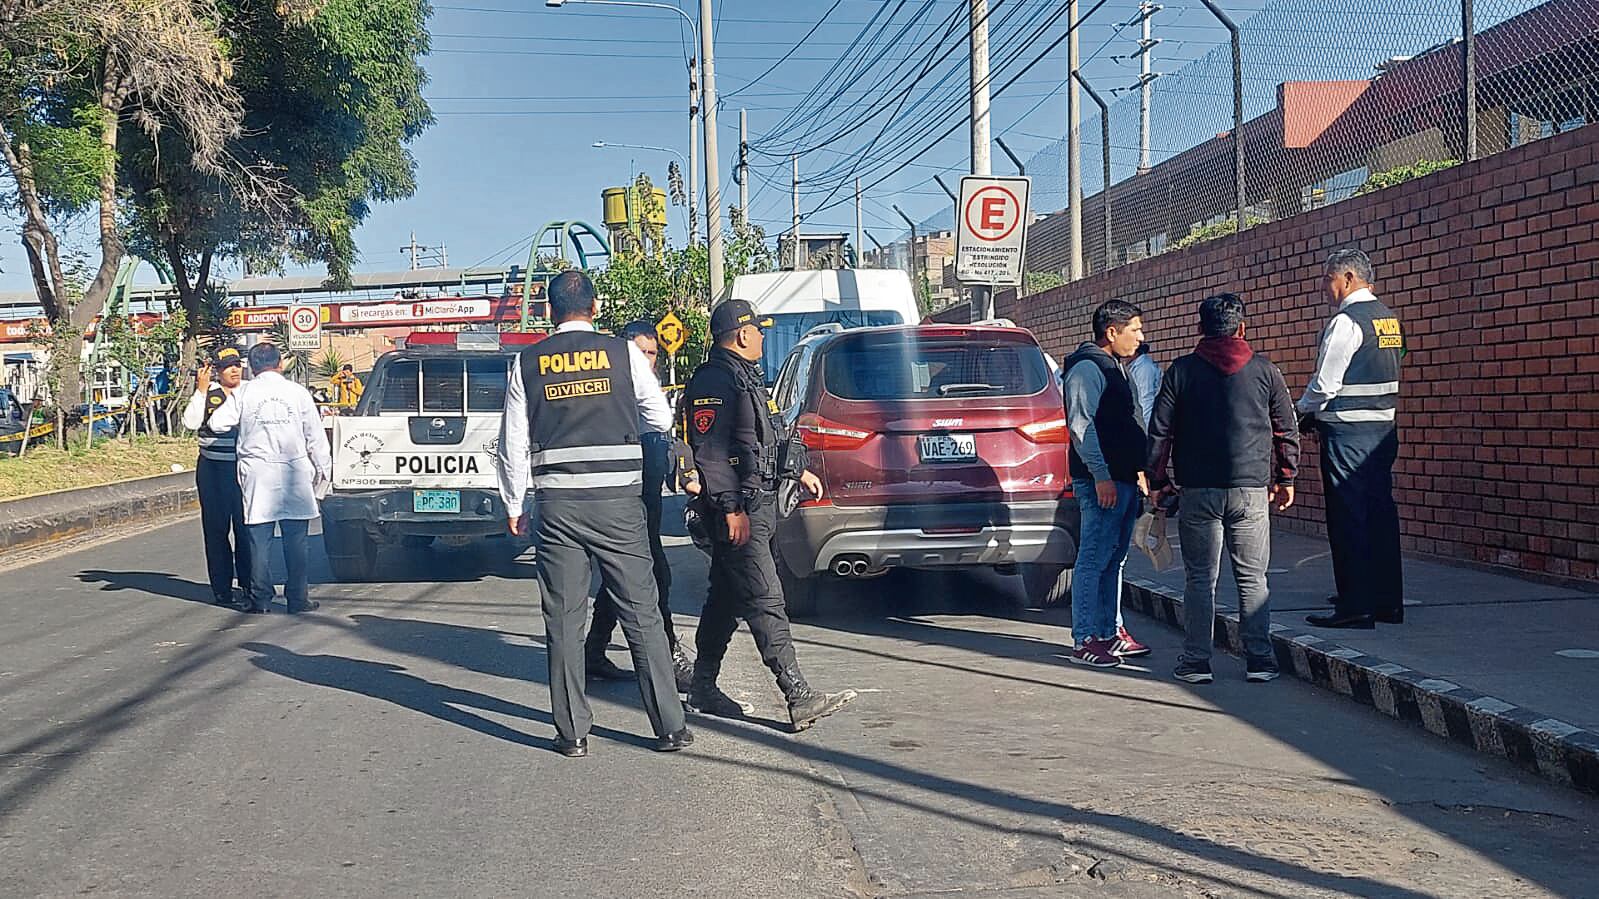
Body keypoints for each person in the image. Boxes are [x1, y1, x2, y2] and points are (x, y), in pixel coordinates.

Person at [497, 271, 691, 757]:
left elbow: (513, 441)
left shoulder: (527, 362)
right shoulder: (623, 353)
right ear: (595, 306)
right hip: (619, 503)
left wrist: (514, 503)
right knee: (641, 613)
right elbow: (660, 417)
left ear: (548, 309)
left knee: (563, 619)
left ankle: (572, 734)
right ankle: (668, 726)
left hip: (559, 506)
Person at [681, 299, 856, 732]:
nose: (762, 336)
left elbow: (764, 439)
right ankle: (797, 694)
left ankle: (702, 685)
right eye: (758, 330)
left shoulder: (745, 378)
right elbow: (711, 454)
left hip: (753, 503)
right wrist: (731, 509)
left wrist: (799, 471)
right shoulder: (714, 380)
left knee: (724, 599)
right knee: (765, 597)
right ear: (742, 334)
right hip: (737, 508)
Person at [1146, 294, 1300, 683]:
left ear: (1199, 329)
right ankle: (1260, 660)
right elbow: (1286, 429)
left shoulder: (1180, 372)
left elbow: (1159, 433)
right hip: (1250, 489)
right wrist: (1285, 477)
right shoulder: (1266, 372)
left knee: (1200, 578)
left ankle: (1197, 661)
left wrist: (1159, 482)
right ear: (1242, 329)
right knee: (1253, 578)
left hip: (1198, 490)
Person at [585, 319, 696, 692]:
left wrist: (684, 466)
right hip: (619, 503)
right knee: (654, 577)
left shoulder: (651, 393)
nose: (646, 360)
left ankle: (594, 650)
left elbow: (665, 438)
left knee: (620, 579)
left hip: (646, 504)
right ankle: (670, 656)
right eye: (639, 352)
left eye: (652, 354)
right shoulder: (611, 395)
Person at [1297, 248, 1405, 629]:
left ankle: (1355, 604)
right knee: (1380, 513)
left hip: (1348, 434)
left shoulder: (1346, 321)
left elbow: (1326, 384)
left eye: (1328, 280)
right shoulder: (1388, 320)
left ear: (1347, 278)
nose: (1326, 289)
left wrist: (1301, 411)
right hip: (1382, 430)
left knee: (1348, 517)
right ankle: (1387, 600)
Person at [205, 342, 331, 615]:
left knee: (258, 540)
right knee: (296, 540)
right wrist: (324, 473)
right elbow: (316, 438)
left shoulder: (244, 392)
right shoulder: (298, 393)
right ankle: (297, 598)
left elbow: (216, 423)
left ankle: (261, 599)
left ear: (251, 367)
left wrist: (244, 423)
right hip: (294, 472)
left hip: (257, 473)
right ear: (280, 364)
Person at [1063, 300, 1149, 668]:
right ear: (1112, 332)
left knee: (1115, 558)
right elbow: (1081, 427)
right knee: (1093, 559)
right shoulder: (1087, 368)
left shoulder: (1117, 367)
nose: (1141, 337)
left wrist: (1142, 469)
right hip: (1102, 481)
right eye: (1135, 330)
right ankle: (1085, 638)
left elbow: (1128, 423)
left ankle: (1110, 632)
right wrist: (1101, 476)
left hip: (1125, 477)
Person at [181, 346, 251, 607]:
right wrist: (200, 390)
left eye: (237, 365)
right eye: (228, 366)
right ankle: (221, 588)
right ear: (216, 371)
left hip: (243, 469)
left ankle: (250, 584)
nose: (234, 370)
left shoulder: (249, 392)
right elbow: (189, 422)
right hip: (212, 469)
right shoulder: (207, 393)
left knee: (246, 529)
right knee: (216, 529)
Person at [1127, 342, 1161, 430]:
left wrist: (1142, 428)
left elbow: (1145, 400)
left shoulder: (1144, 368)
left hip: (1145, 422)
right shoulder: (1135, 366)